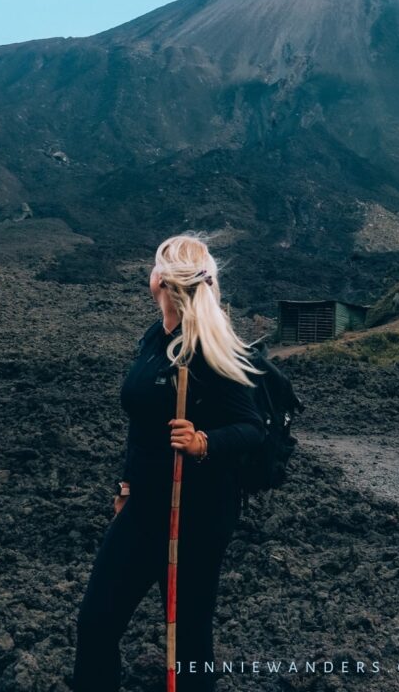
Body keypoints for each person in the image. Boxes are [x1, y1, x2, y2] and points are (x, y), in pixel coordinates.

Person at [71, 232, 266, 692]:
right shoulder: (153, 338)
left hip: (195, 514)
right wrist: (125, 487)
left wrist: (202, 443)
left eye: (154, 265)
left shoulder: (207, 348)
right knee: (96, 620)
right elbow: (139, 423)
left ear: (160, 279)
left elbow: (251, 428)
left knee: (189, 638)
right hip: (144, 508)